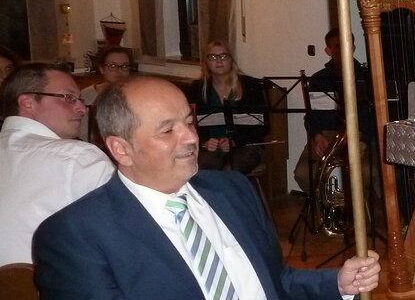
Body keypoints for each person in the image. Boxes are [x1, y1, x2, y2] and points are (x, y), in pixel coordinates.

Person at [33, 76, 380, 299]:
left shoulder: (232, 190)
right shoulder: (75, 236)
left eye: (188, 122)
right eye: (167, 130)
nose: (190, 137)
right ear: (121, 149)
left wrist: (336, 283)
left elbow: (274, 282)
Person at [0, 62, 114, 265]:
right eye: (69, 98)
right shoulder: (78, 159)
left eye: (79, 99)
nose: (82, 109)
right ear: (28, 102)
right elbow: (126, 241)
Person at [293, 28, 372, 194]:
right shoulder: (319, 79)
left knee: (364, 173)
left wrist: (364, 140)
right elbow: (311, 116)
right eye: (337, 47)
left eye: (346, 45)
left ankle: (354, 210)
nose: (342, 50)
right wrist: (317, 135)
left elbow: (374, 116)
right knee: (302, 174)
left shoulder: (367, 77)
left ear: (353, 48)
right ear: (328, 51)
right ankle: (330, 207)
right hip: (327, 136)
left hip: (357, 135)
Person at [185, 40, 269, 174]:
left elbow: (262, 127)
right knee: (202, 167)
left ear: (231, 60)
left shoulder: (250, 85)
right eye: (213, 57)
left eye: (224, 56)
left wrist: (235, 141)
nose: (219, 61)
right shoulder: (197, 88)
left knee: (229, 169)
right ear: (206, 63)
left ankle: (232, 195)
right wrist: (205, 142)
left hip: (247, 146)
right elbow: (190, 122)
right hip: (212, 147)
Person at [79, 46, 134, 141]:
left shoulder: (136, 95)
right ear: (101, 69)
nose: (119, 71)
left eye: (125, 66)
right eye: (113, 66)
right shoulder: (86, 95)